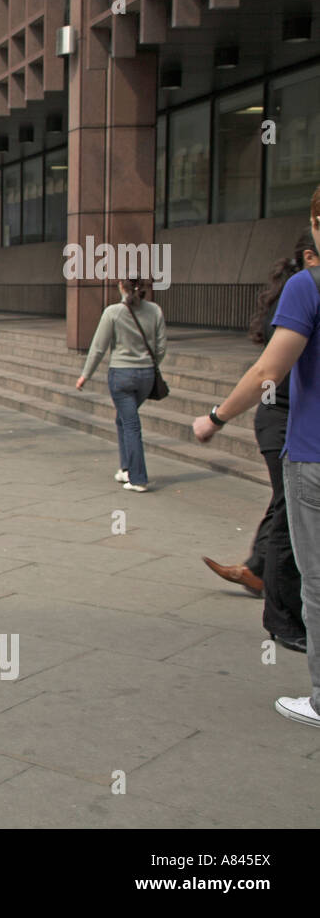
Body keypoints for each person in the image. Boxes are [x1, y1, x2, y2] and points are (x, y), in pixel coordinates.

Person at [193, 186, 320, 729]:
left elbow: (269, 371)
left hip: (314, 456)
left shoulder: (307, 286)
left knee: (317, 579)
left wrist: (216, 417)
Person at [75, 278, 167, 492]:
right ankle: (125, 467)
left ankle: (138, 478)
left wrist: (85, 375)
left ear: (121, 287)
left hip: (122, 375)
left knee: (131, 424)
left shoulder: (113, 312)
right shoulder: (155, 311)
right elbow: (161, 346)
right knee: (123, 418)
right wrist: (150, 364)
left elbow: (99, 347)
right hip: (146, 376)